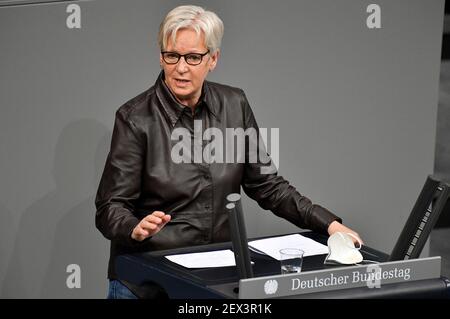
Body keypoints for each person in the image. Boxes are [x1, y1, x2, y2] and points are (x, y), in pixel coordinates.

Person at [95, 5, 363, 299]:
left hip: (213, 280)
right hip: (147, 282)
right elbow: (110, 207)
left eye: (193, 57)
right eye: (172, 56)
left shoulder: (234, 104)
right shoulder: (135, 118)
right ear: (161, 56)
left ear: (213, 59)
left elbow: (268, 185)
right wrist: (134, 228)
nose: (180, 68)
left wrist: (330, 224)